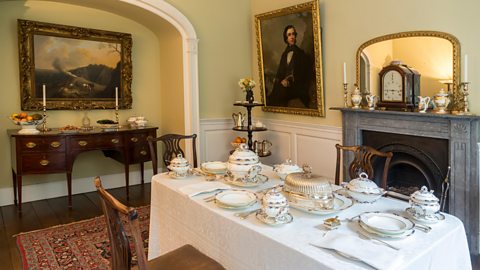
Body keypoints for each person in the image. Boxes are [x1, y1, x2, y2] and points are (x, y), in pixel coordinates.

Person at [267, 25, 310, 107]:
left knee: (281, 92)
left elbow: (303, 74)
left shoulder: (301, 53)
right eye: (289, 35)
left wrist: (289, 82)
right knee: (275, 93)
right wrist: (281, 81)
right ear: (286, 38)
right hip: (285, 83)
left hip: (296, 85)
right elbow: (280, 72)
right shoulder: (284, 54)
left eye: (293, 34)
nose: (292, 37)